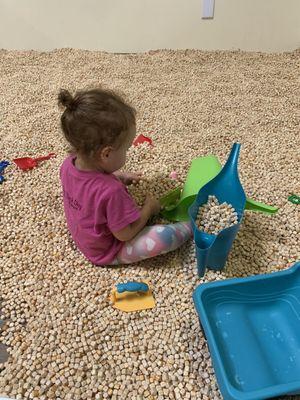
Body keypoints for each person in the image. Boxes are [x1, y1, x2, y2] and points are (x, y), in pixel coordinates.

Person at [58, 87, 192, 265]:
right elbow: (124, 234)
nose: (128, 152)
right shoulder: (112, 192)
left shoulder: (68, 165)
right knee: (164, 237)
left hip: (82, 237)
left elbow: (88, 187)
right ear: (106, 154)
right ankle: (192, 227)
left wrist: (118, 176)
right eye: (126, 148)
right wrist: (148, 210)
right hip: (105, 251)